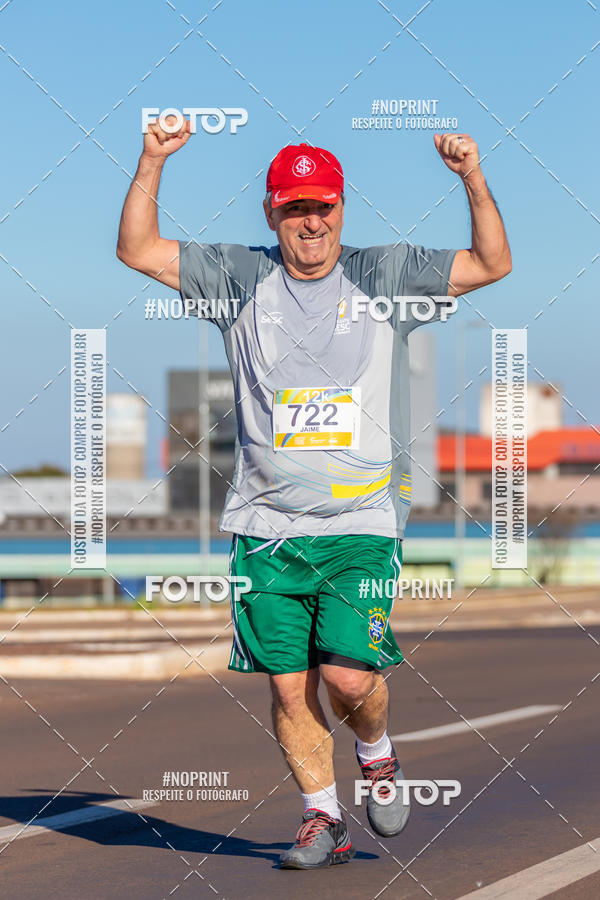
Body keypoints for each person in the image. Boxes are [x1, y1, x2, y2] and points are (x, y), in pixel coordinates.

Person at [117, 119, 511, 870]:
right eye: (296, 207)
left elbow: (492, 264)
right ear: (272, 212)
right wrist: (152, 160)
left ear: (341, 210)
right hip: (266, 526)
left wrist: (471, 178)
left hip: (361, 519)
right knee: (291, 688)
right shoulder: (239, 277)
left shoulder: (384, 274)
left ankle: (379, 752)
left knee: (348, 675)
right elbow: (137, 249)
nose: (312, 221)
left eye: (324, 206)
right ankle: (321, 818)